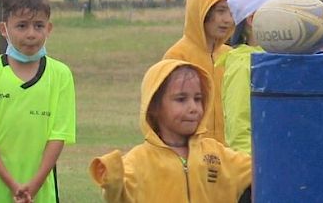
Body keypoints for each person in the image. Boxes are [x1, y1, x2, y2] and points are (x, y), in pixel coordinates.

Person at [0, 0, 77, 203]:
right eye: (21, 26)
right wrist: (13, 185)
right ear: (4, 29)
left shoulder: (61, 75)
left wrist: (33, 186)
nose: (31, 34)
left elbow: (58, 137)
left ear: (49, 28)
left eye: (38, 26)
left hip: (41, 195)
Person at [90, 59, 253, 202]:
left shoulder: (218, 155)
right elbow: (117, 195)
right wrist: (111, 176)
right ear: (153, 106)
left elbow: (262, 170)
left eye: (198, 99)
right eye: (181, 99)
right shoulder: (138, 162)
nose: (193, 108)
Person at [217, 0, 294, 154]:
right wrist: (254, 173)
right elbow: (239, 132)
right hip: (261, 170)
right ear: (253, 19)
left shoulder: (285, 55)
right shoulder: (243, 66)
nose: (289, 15)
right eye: (280, 10)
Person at [162, 0, 235, 143]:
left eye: (231, 11)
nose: (227, 20)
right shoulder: (177, 57)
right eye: (220, 11)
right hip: (192, 155)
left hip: (227, 157)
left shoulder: (230, 56)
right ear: (201, 11)